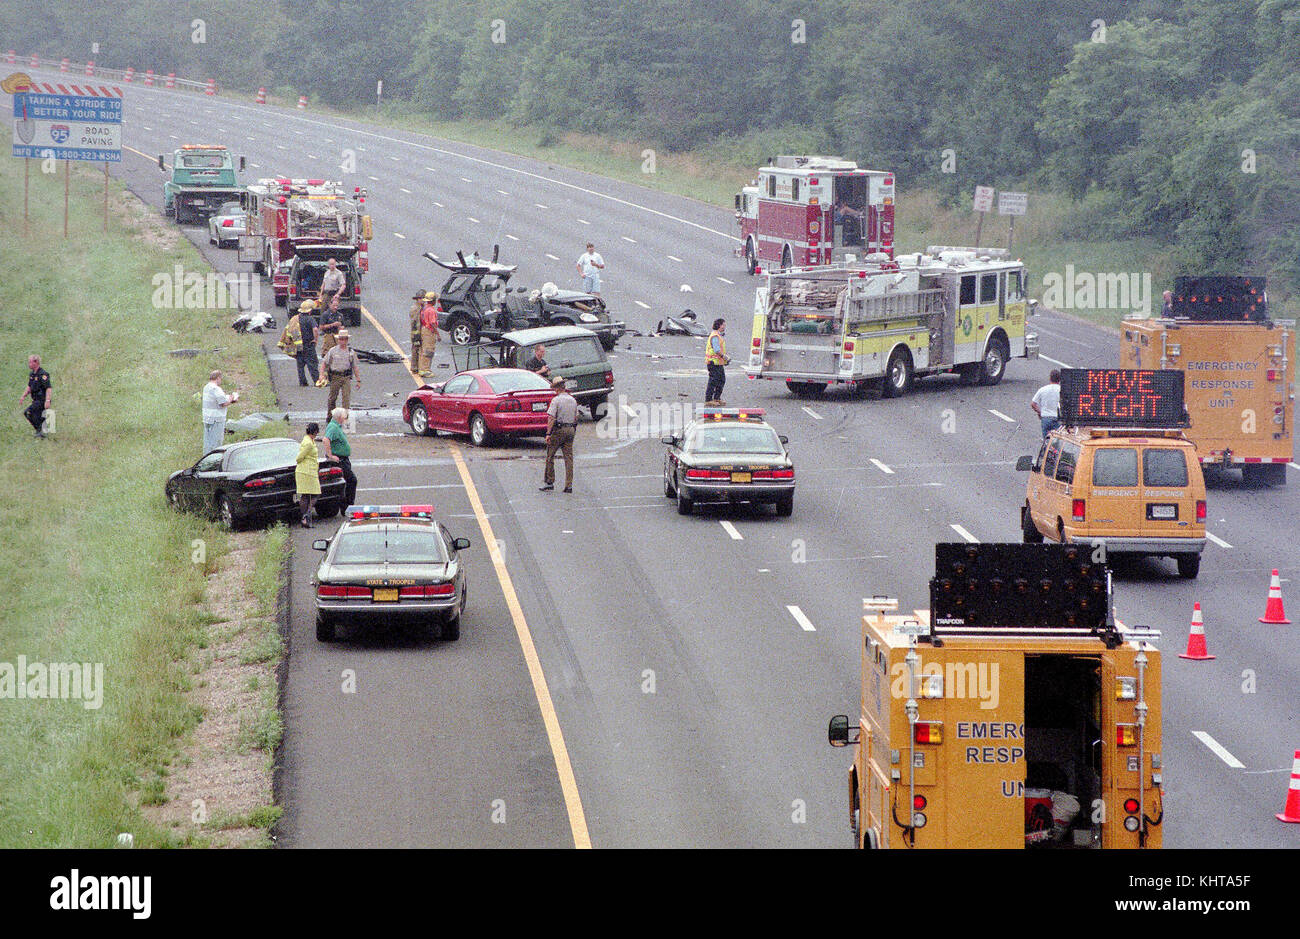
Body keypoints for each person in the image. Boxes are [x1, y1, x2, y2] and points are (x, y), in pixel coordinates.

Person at [540, 375, 578, 493]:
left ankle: (549, 481)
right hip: (570, 429)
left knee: (550, 455)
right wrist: (573, 429)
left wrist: (548, 433)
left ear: (557, 388)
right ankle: (569, 485)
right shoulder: (572, 399)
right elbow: (576, 416)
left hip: (559, 430)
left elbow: (551, 418)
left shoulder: (556, 400)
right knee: (568, 458)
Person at [320, 329, 361, 420]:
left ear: (347, 340)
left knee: (346, 399)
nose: (343, 341)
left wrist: (358, 380)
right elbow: (324, 363)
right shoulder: (333, 351)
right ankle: (330, 416)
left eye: (344, 339)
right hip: (335, 377)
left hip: (346, 377)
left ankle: (344, 418)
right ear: (338, 340)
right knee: (332, 398)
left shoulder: (351, 352)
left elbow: (355, 367)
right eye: (341, 339)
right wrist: (321, 375)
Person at [323, 407, 357, 506]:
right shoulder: (333, 427)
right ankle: (348, 505)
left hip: (344, 459)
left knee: (347, 481)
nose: (345, 419)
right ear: (339, 417)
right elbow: (326, 440)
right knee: (351, 480)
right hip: (339, 460)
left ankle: (346, 505)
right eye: (344, 417)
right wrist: (330, 455)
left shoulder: (336, 426)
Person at [201, 370, 238, 454]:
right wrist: (232, 398)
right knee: (216, 443)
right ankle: (215, 460)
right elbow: (223, 403)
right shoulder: (216, 388)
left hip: (207, 418)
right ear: (218, 378)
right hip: (216, 419)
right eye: (220, 379)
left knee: (207, 442)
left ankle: (206, 458)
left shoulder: (206, 387)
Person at [296, 422, 323, 527]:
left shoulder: (310, 440)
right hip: (306, 471)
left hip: (310, 470)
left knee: (307, 495)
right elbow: (299, 458)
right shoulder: (308, 442)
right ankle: (305, 516)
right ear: (315, 431)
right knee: (313, 494)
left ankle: (305, 517)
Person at [20, 354, 52, 438]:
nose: (29, 364)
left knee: (28, 412)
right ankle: (41, 432)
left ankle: (40, 430)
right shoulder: (32, 374)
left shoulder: (43, 374)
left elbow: (48, 388)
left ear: (36, 362)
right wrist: (23, 396)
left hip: (42, 400)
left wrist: (47, 401)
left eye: (30, 362)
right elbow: (29, 386)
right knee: (36, 416)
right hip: (35, 400)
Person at [1031, 369, 1062, 439]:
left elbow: (1033, 404)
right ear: (1059, 379)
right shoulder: (1062, 390)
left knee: (1046, 441)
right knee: (1057, 441)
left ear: (1050, 378)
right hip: (1058, 419)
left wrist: (1039, 412)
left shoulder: (1043, 389)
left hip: (1046, 418)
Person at [705, 318, 729, 404]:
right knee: (713, 381)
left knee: (721, 380)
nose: (724, 326)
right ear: (719, 325)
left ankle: (717, 398)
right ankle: (708, 400)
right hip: (713, 363)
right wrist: (724, 356)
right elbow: (717, 350)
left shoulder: (718, 335)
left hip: (718, 363)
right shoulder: (715, 336)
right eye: (723, 325)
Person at [296, 300, 320, 386]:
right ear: (309, 311)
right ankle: (317, 381)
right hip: (309, 344)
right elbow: (315, 329)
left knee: (300, 365)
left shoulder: (296, 318)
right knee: (313, 364)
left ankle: (303, 382)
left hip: (298, 345)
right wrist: (315, 340)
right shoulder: (310, 319)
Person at [418, 291, 440, 380]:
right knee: (428, 350)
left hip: (424, 329)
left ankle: (422, 368)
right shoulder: (431, 310)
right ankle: (425, 370)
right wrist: (438, 334)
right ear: (433, 301)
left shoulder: (424, 308)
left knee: (423, 350)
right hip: (429, 331)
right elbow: (432, 323)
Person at [408, 291, 426, 380]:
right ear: (418, 299)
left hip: (420, 331)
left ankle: (418, 366)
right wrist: (416, 335)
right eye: (422, 299)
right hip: (416, 332)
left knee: (419, 349)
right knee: (415, 349)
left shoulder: (421, 307)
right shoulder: (415, 309)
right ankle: (414, 367)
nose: (423, 301)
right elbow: (414, 322)